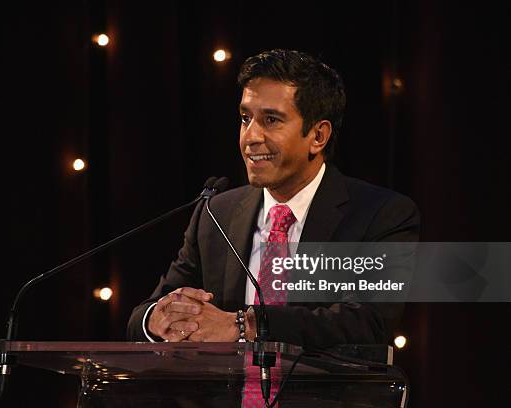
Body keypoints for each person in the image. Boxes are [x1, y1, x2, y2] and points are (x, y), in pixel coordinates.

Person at [126, 49, 419, 347]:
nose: (250, 137)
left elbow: (368, 323)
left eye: (271, 120)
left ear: (318, 136)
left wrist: (243, 326)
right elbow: (143, 317)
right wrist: (158, 319)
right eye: (245, 118)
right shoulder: (216, 214)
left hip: (319, 394)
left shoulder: (380, 214)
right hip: (226, 394)